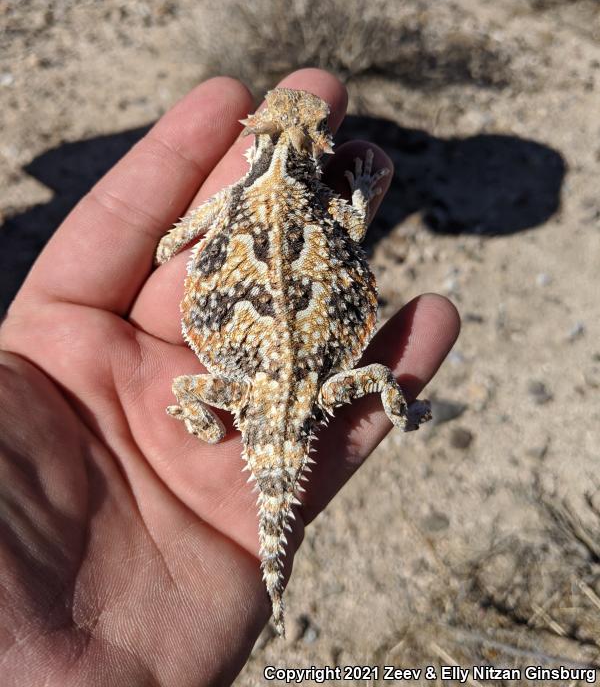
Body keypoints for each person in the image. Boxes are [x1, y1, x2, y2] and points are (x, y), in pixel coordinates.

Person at [0, 69, 460, 686]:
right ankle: (400, 422)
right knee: (381, 378)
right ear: (315, 147)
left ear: (256, 137)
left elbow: (175, 241)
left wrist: (176, 245)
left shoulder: (234, 197)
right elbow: (351, 230)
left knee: (212, 389)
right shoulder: (321, 203)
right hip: (312, 377)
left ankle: (254, 529)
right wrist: (361, 190)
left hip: (251, 379)